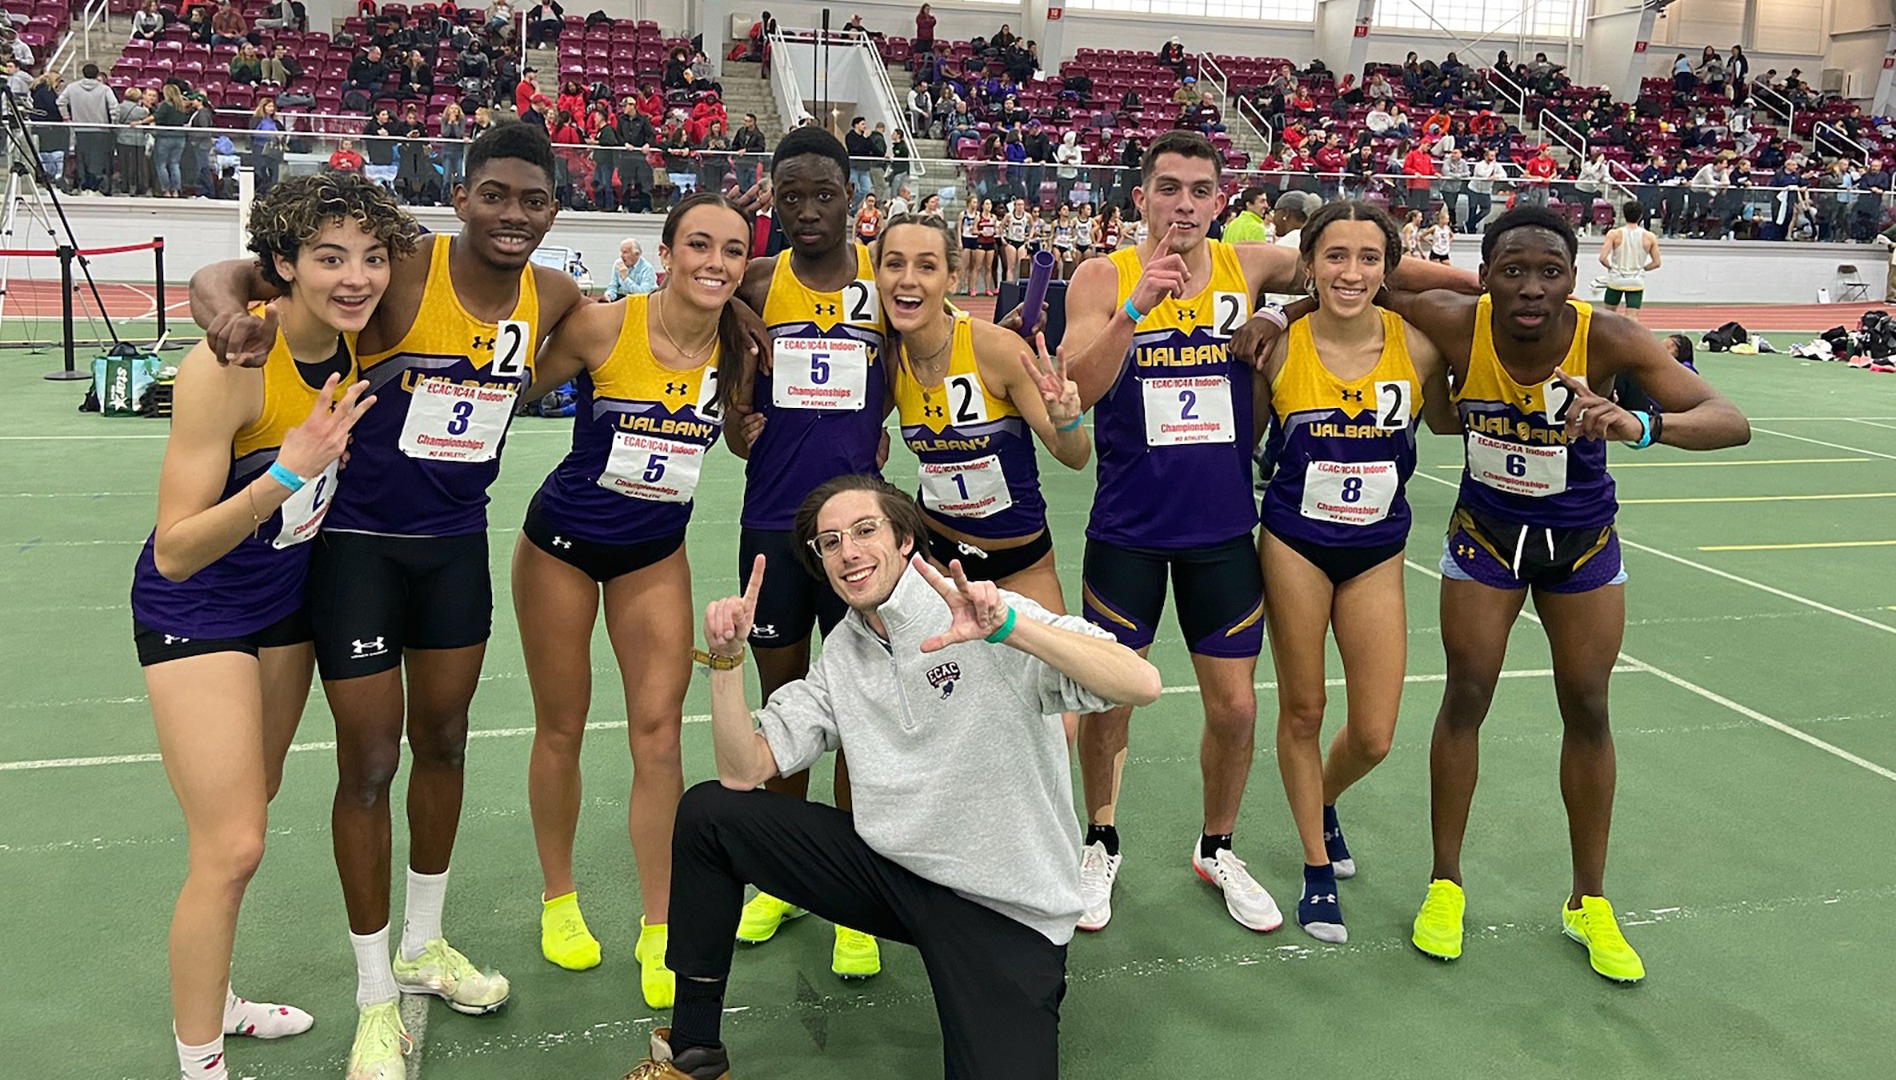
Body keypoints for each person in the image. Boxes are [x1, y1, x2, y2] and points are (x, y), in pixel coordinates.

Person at [187, 125, 589, 1080]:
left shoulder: (556, 294)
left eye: (532, 201)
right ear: (461, 195)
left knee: (444, 744)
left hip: (455, 550)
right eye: (495, 194)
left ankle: (423, 946)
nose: (513, 216)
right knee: (367, 764)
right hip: (357, 549)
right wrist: (222, 317)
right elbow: (234, 275)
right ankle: (375, 998)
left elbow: (640, 329)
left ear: (553, 211)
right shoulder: (401, 268)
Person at [1059, 130, 1475, 934]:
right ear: (1140, 195)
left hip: (1221, 529)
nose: (1184, 204)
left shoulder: (1246, 267)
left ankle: (1217, 846)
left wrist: (1480, 285)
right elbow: (1074, 389)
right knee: (1110, 698)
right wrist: (1137, 308)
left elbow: (1354, 266)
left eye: (1200, 190)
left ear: (1221, 201)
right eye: (1169, 187)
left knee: (1238, 710)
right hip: (1128, 528)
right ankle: (1102, 838)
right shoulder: (1102, 276)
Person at [616, 475, 1162, 1080]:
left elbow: (1140, 683)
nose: (847, 551)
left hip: (1004, 908)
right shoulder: (842, 655)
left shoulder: (984, 613)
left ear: (905, 541)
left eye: (864, 530)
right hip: (893, 875)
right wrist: (726, 661)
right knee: (710, 815)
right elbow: (743, 770)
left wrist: (1012, 628)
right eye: (829, 542)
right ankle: (693, 1054)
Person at [1388, 206, 1750, 984]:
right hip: (1485, 539)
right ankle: (1445, 884)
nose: (1531, 287)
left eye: (1550, 270)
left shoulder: (1608, 336)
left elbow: (1730, 419)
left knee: (1587, 706)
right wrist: (1282, 311)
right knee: (1466, 696)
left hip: (1580, 546)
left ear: (1574, 279)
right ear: (1482, 277)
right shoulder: (1456, 320)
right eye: (1511, 269)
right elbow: (1368, 277)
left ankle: (1589, 900)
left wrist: (1641, 425)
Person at [132, 172, 416, 1080]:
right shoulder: (229, 366)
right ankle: (199, 1061)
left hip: (282, 610)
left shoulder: (349, 342)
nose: (356, 277)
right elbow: (175, 549)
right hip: (197, 607)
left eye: (371, 258)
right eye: (329, 258)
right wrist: (287, 475)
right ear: (283, 265)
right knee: (232, 846)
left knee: (250, 812)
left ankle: (218, 1002)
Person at [513, 194, 750, 1006]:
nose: (714, 263)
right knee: (562, 726)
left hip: (655, 554)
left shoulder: (741, 348)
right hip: (561, 550)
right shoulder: (603, 326)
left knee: (657, 739)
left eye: (731, 250)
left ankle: (661, 926)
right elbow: (506, 388)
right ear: (667, 250)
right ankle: (559, 900)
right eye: (698, 246)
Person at [1253, 201, 1451, 943]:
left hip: (1377, 550)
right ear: (1308, 262)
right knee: (1303, 712)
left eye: (1370, 258)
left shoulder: (1421, 345)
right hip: (1296, 544)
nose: (1352, 272)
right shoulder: (1275, 348)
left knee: (1372, 734)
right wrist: (1279, 314)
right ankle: (1312, 867)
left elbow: (1485, 299)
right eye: (1335, 256)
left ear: (1389, 269)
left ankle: (1323, 800)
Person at [725, 127, 893, 978]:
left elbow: (905, 376)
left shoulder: (883, 282)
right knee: (785, 707)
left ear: (852, 194)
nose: (806, 211)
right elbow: (732, 416)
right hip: (772, 526)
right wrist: (739, 425)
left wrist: (880, 437)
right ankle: (786, 880)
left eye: (823, 194)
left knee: (864, 710)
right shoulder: (756, 281)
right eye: (789, 196)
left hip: (860, 534)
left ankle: (857, 896)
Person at [878, 212, 1089, 615]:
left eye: (926, 266)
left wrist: (1067, 419)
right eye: (894, 264)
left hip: (1020, 562)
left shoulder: (998, 349)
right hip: (938, 555)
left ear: (952, 278)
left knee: (1056, 675)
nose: (907, 279)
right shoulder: (890, 359)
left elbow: (1076, 456)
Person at [1598, 200, 1660, 323]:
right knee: (1632, 317)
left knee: (1608, 314)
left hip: (1616, 278)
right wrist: (1642, 268)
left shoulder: (1614, 234)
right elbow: (1656, 262)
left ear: (1624, 214)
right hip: (1635, 279)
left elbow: (1602, 258)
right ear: (1641, 216)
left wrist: (1611, 267)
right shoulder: (1649, 236)